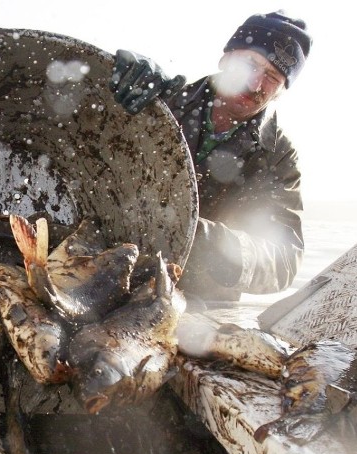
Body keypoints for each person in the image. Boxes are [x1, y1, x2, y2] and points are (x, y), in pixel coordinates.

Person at [111, 11, 312, 302]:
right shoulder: (157, 99)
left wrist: (210, 241)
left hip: (197, 308)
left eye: (272, 77)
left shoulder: (278, 157)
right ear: (225, 58)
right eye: (251, 63)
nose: (255, 84)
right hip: (111, 278)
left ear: (281, 90)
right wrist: (113, 78)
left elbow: (284, 262)